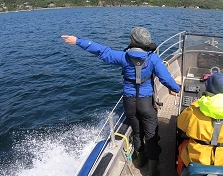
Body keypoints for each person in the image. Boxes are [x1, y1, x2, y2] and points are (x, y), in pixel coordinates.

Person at [61, 27, 180, 176]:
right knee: (151, 136)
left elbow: (101, 51)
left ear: (133, 41)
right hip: (146, 103)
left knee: (137, 133)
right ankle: (153, 171)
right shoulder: (153, 58)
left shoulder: (123, 57)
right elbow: (166, 79)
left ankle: (140, 160)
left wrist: (78, 41)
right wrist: (177, 88)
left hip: (129, 103)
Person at [176, 73, 223, 175]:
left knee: (182, 146)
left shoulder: (193, 111)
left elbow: (180, 124)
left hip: (196, 160)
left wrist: (197, 102)